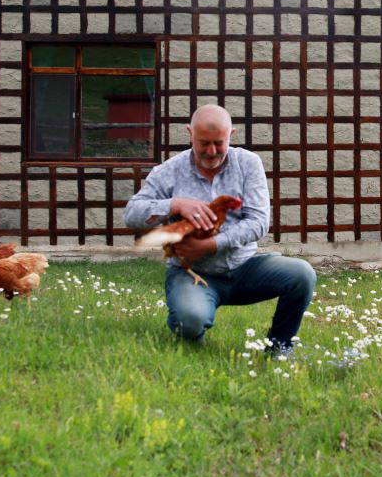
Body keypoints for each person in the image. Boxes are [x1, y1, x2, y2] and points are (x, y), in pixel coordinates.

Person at [124, 104, 316, 353]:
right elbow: (131, 214)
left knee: (301, 274)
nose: (212, 151)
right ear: (189, 134)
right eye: (204, 143)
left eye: (219, 142)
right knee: (190, 320)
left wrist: (210, 244)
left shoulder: (248, 163)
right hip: (192, 271)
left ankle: (280, 346)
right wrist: (174, 204)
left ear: (231, 135)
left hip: (244, 267)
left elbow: (259, 222)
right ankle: (189, 328)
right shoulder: (169, 170)